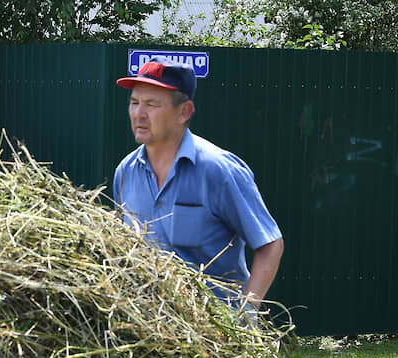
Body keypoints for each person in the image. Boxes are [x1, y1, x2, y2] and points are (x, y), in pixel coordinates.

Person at [112, 60, 284, 310]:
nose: (139, 114)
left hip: (211, 335)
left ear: (184, 112)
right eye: (134, 102)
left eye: (152, 104)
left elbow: (270, 244)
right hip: (145, 332)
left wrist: (245, 314)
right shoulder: (126, 172)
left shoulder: (220, 171)